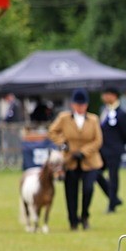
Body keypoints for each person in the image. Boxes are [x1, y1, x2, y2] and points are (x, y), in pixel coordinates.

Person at [48, 88, 104, 230]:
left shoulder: (93, 119)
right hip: (70, 160)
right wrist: (63, 143)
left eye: (83, 105)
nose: (80, 108)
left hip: (89, 160)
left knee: (88, 189)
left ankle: (84, 216)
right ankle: (73, 221)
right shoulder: (64, 118)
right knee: (70, 192)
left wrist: (84, 152)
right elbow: (52, 131)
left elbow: (98, 140)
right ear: (73, 105)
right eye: (78, 105)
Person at [96, 87, 126, 212]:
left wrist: (118, 146)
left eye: (106, 94)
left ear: (113, 96)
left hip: (114, 150)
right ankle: (114, 198)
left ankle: (112, 205)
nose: (104, 97)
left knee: (113, 176)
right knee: (96, 173)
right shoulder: (104, 110)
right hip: (101, 150)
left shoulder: (122, 113)